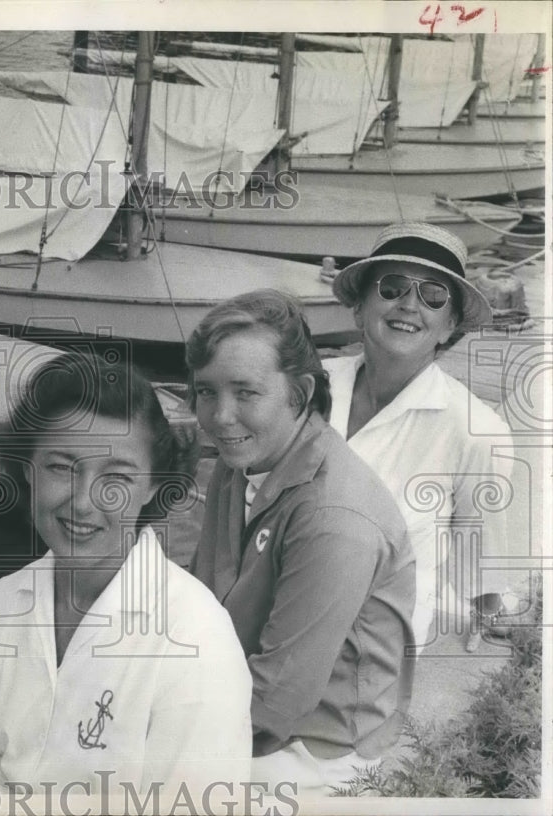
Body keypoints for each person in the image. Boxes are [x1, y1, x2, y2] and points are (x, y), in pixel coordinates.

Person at [0, 350, 252, 805]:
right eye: (61, 467)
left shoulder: (195, 637)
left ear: (153, 483)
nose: (85, 502)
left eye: (117, 476)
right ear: (26, 465)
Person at [186, 289, 415, 796]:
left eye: (246, 393)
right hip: (243, 707)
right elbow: (200, 606)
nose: (221, 417)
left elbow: (275, 704)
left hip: (316, 755)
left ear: (300, 392)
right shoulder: (244, 458)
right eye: (207, 392)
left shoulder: (334, 518)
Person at [324, 222, 514, 649]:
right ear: (358, 308)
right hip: (275, 621)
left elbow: (479, 548)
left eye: (433, 295)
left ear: (448, 327)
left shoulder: (477, 430)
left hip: (374, 650)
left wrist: (488, 607)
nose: (410, 304)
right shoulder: (310, 388)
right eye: (392, 287)